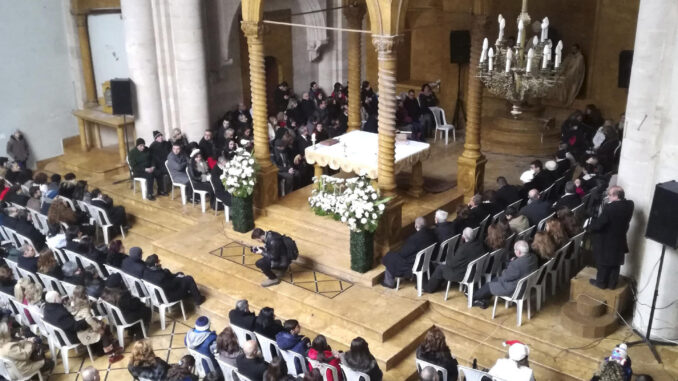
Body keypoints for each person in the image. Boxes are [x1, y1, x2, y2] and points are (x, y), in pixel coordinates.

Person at [589, 186, 634, 290]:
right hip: (620, 238)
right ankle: (612, 284)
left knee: (603, 262)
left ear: (616, 195)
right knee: (615, 262)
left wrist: (591, 227)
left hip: (607, 240)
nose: (608, 197)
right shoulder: (630, 204)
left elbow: (600, 224)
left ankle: (601, 282)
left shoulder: (610, 208)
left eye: (609, 195)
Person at [472, 241, 538, 309]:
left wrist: (509, 266)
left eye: (515, 250)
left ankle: (473, 298)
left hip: (514, 289)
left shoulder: (516, 265)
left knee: (488, 285)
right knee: (495, 280)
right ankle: (484, 300)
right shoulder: (533, 257)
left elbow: (505, 277)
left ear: (518, 252)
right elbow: (522, 266)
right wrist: (515, 261)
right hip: (525, 286)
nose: (514, 251)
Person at [67, 286, 123, 363]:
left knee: (105, 326)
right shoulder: (83, 307)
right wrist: (98, 329)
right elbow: (88, 319)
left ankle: (113, 346)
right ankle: (111, 356)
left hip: (82, 328)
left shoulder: (73, 301)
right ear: (83, 294)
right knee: (103, 334)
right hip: (85, 332)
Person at [424, 227, 486, 293]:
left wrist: (445, 262)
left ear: (463, 237)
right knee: (441, 267)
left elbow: (453, 264)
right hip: (475, 272)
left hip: (463, 274)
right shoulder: (479, 244)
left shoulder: (463, 249)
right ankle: (439, 284)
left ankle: (429, 288)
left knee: (440, 268)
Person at [381, 217, 436, 289]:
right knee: (393, 256)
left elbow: (403, 254)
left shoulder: (414, 238)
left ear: (416, 226)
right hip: (424, 261)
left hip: (413, 265)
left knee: (389, 256)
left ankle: (388, 282)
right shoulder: (431, 233)